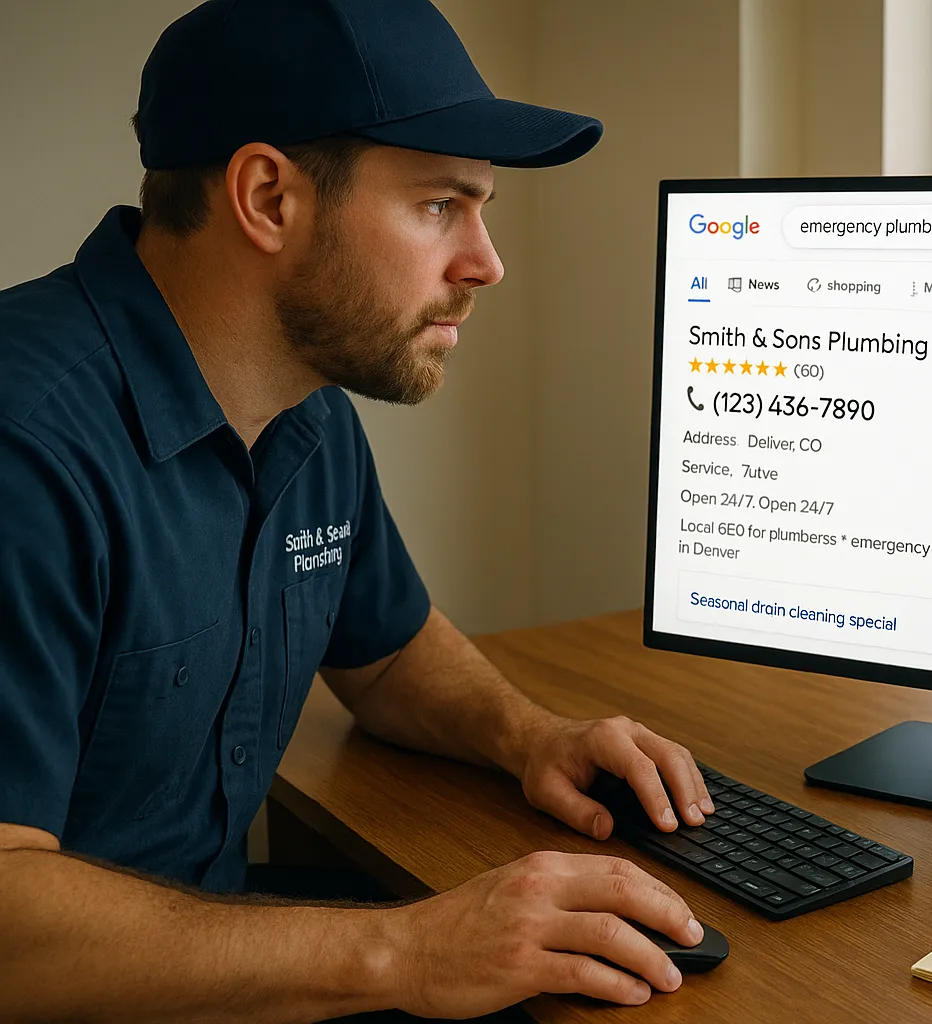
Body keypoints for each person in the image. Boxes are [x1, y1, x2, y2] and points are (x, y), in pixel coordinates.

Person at [0, 2, 716, 1020]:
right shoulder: (25, 447)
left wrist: (529, 735)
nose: (486, 262)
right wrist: (404, 949)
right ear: (267, 197)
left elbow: (383, 653)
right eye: (439, 205)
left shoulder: (304, 408)